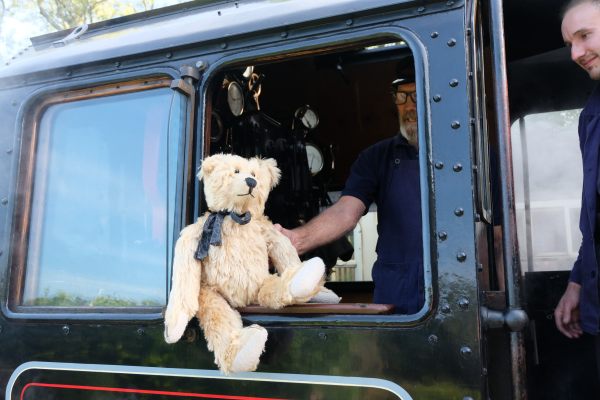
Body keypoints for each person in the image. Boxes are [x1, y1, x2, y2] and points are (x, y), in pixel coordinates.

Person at [276, 56, 424, 314]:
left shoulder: (469, 149)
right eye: (401, 97)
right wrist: (297, 240)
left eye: (416, 95)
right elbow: (346, 211)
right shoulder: (376, 157)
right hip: (395, 300)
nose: (409, 107)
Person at [555, 0, 600, 353]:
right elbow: (594, 215)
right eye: (571, 43)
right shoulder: (592, 114)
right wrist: (577, 282)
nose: (576, 53)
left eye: (585, 36)